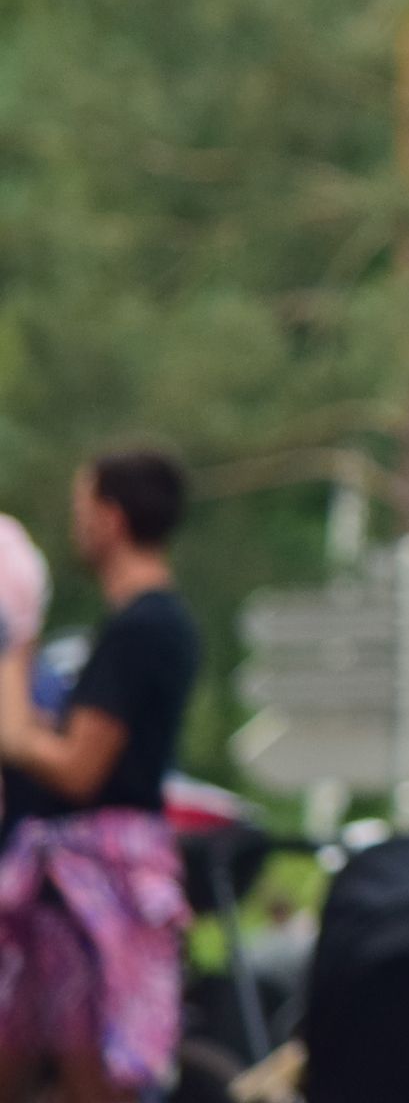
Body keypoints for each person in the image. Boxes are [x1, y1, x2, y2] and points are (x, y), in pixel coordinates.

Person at [0, 450, 203, 1103]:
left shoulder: (142, 628)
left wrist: (15, 644)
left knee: (91, 1073)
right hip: (74, 881)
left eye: (81, 509)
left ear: (111, 519)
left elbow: (77, 769)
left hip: (93, 883)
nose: (76, 525)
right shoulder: (149, 624)